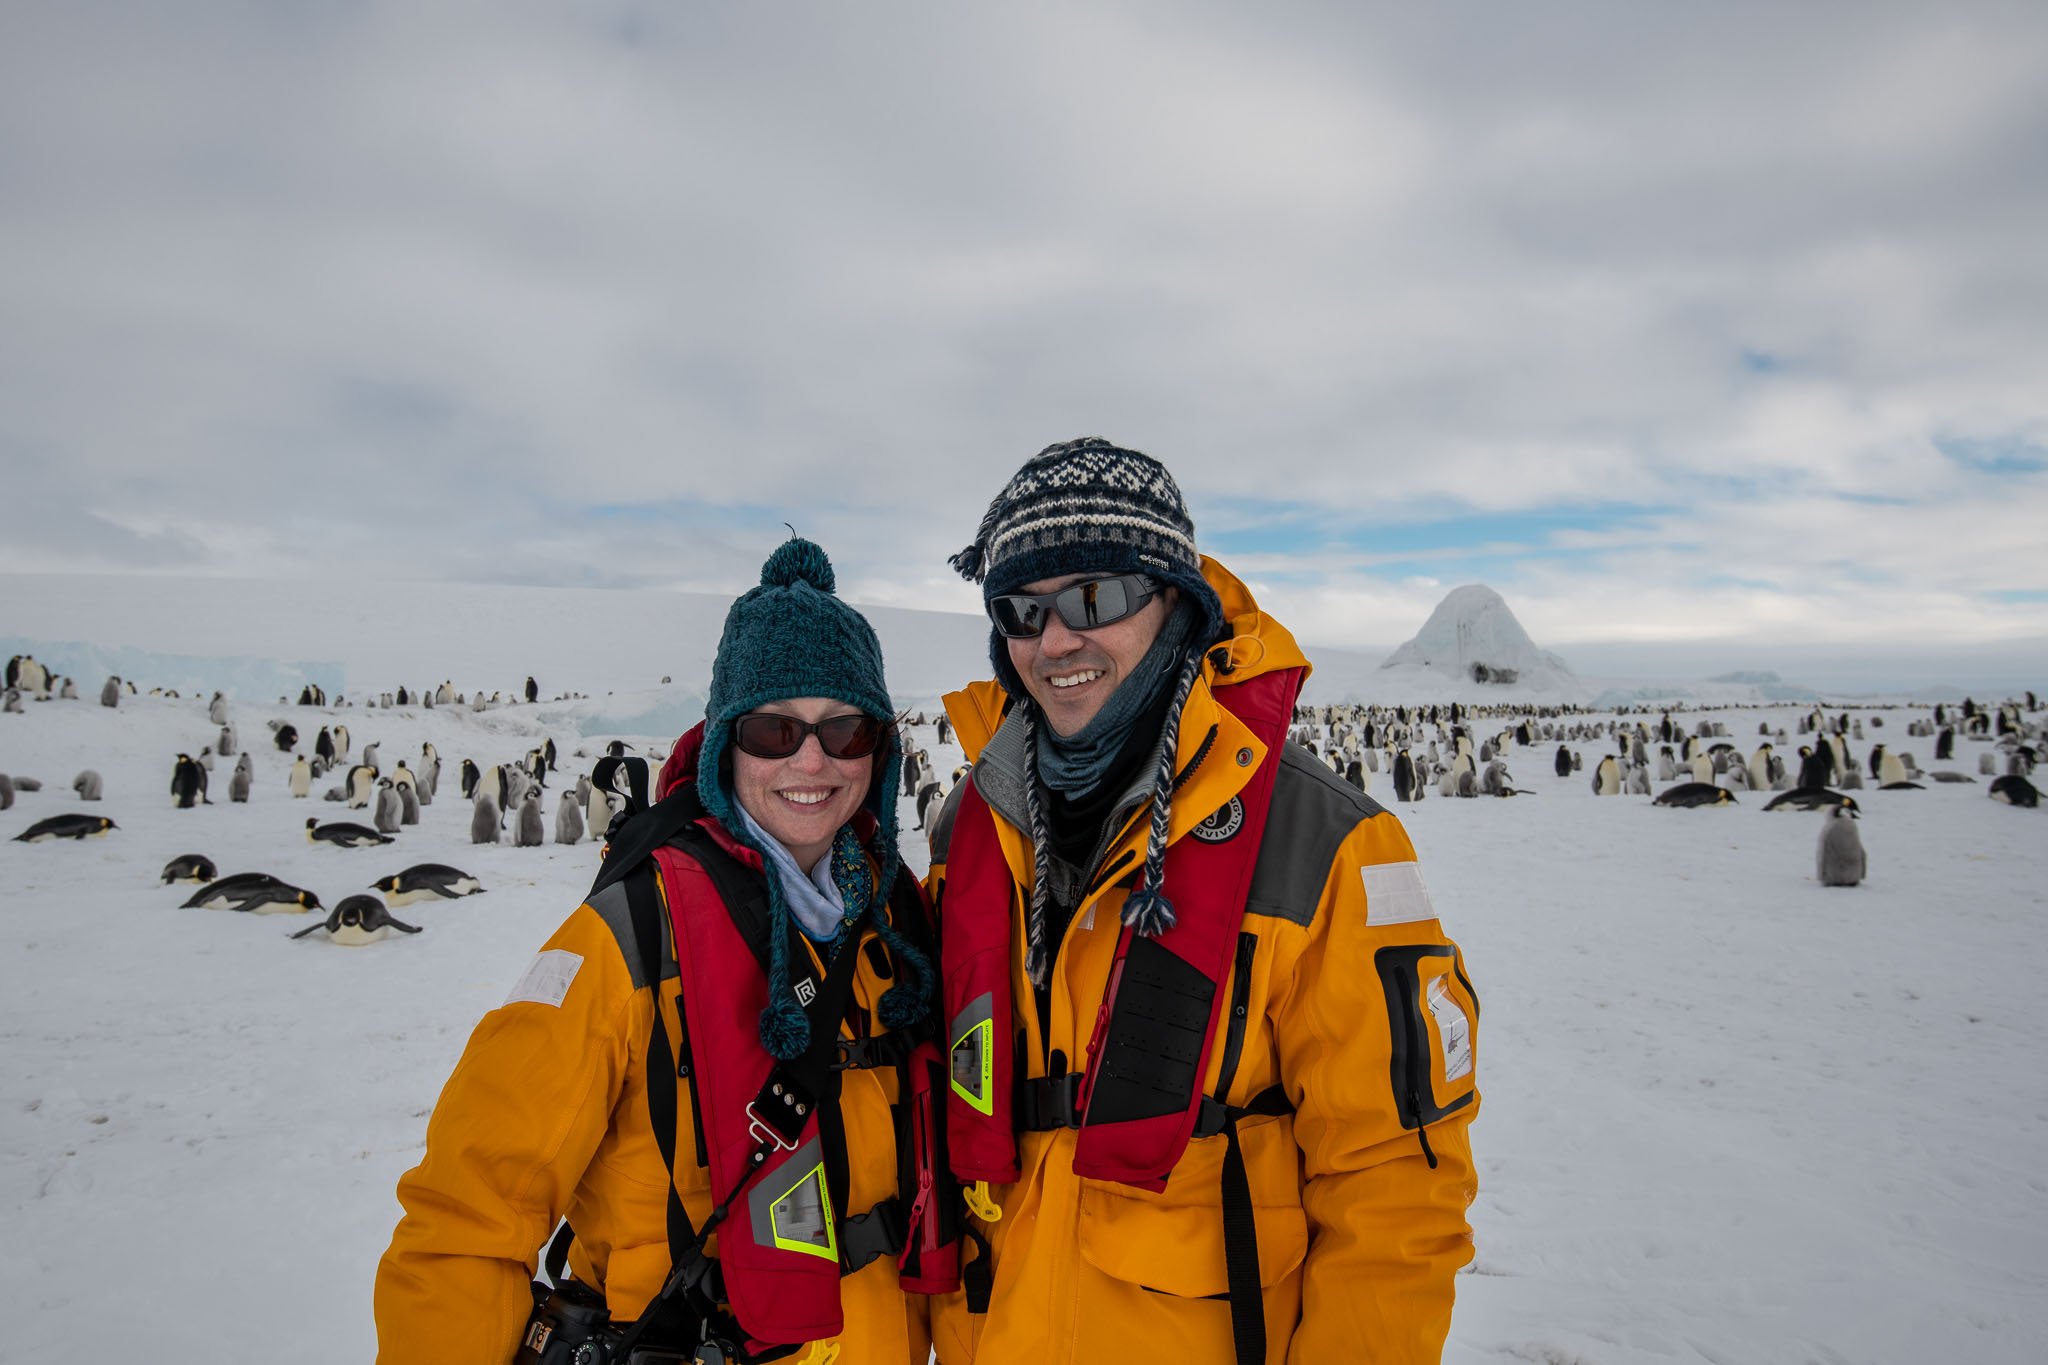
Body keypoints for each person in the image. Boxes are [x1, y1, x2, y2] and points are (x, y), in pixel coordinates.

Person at [925, 439, 1480, 1365]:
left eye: (1093, 598)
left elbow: (1392, 1187)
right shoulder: (974, 830)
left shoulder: (1322, 841)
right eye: (1023, 611)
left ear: (1172, 602)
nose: (1056, 639)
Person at [375, 538, 950, 1364]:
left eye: (845, 729)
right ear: (725, 744)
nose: (812, 759)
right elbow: (464, 1219)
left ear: (880, 750)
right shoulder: (629, 938)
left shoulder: (893, 933)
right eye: (774, 728)